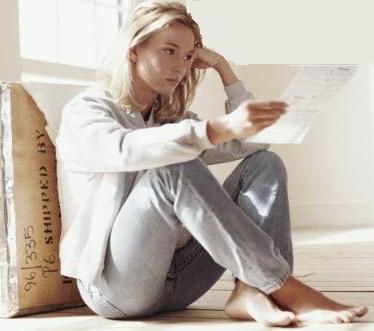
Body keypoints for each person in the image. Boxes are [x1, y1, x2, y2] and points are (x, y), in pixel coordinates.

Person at [56, 0, 368, 327]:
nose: (181, 65)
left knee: (264, 163)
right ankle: (282, 285)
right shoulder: (88, 110)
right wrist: (215, 129)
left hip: (182, 278)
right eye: (169, 51)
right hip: (118, 289)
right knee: (173, 163)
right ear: (134, 50)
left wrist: (223, 68)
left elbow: (254, 142)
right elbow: (122, 148)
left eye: (189, 56)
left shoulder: (169, 120)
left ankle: (253, 290)